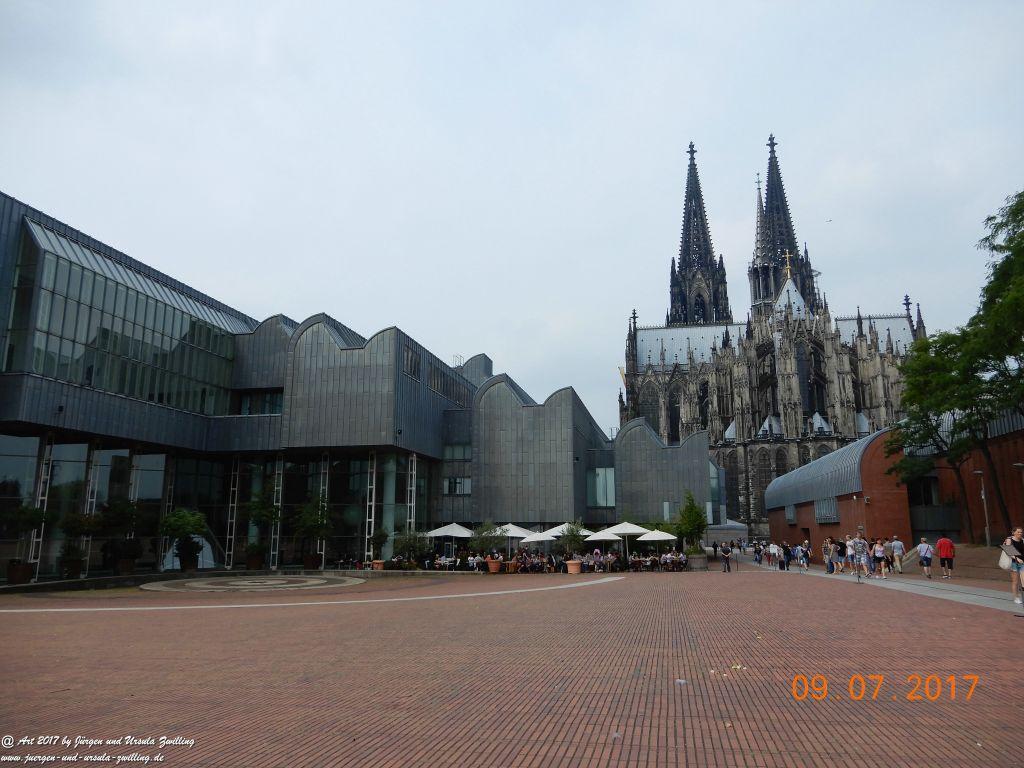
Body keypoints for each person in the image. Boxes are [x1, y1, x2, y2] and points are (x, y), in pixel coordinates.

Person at [1000, 527, 1024, 604]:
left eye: (1021, 532)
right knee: (1015, 581)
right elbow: (1009, 552)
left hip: (1022, 563)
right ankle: (1016, 597)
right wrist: (1017, 559)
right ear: (1013, 532)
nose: (1020, 533)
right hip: (1013, 563)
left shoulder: (1022, 540)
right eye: (1018, 532)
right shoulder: (1009, 540)